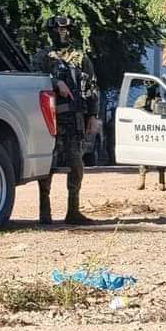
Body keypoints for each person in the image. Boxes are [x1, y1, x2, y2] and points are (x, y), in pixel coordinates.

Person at [33, 15, 99, 224]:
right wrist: (55, 82)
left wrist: (92, 116)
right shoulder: (43, 56)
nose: (62, 33)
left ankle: (73, 210)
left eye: (66, 30)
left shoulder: (80, 58)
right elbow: (33, 80)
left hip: (75, 120)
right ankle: (45, 212)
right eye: (58, 30)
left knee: (76, 165)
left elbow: (91, 88)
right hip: (50, 120)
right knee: (48, 166)